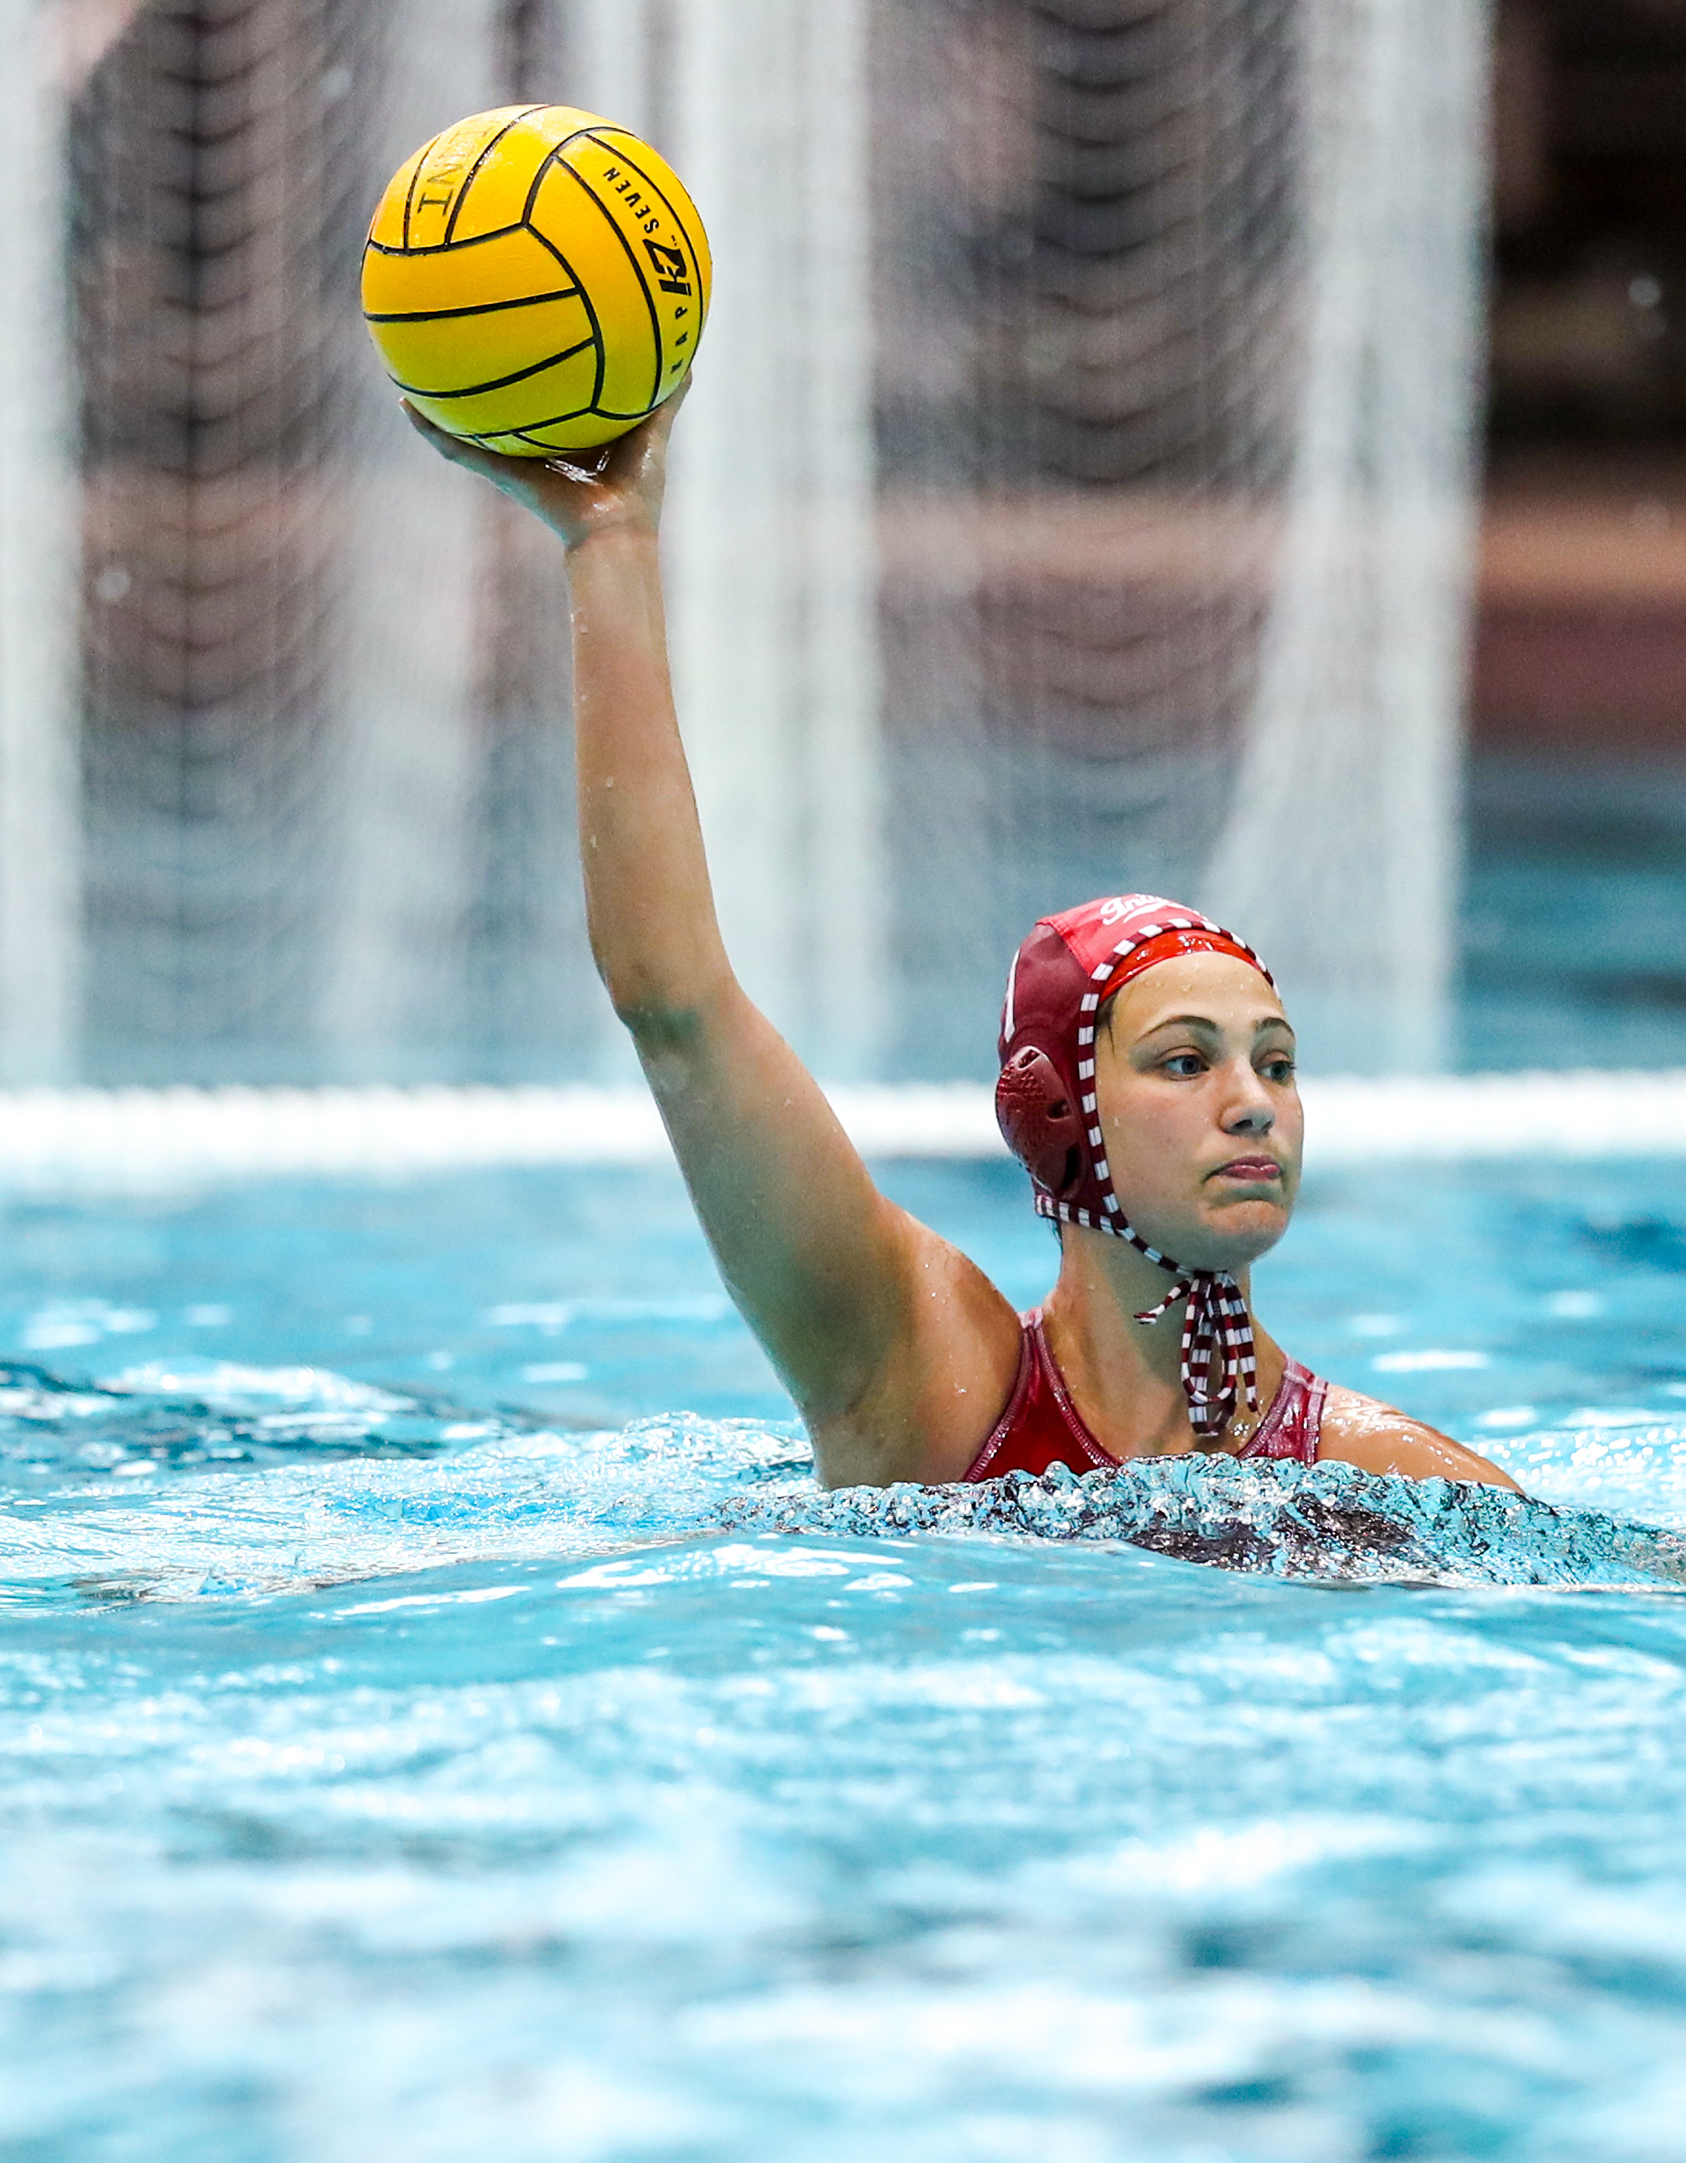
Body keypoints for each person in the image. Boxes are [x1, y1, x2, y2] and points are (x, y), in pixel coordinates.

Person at [411, 392, 1516, 1494]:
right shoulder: (923, 1379)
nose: (1254, 1101)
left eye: (1274, 1061)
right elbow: (675, 1004)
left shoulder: (1388, 1478)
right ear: (1055, 1113)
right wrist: (609, 542)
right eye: (1187, 1058)